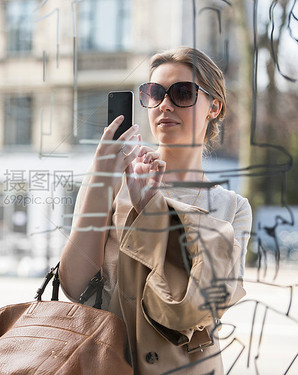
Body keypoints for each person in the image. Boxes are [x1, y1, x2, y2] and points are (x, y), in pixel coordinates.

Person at [60, 47, 252, 374]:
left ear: (214, 107)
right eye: (155, 93)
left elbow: (201, 307)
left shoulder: (231, 208)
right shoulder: (111, 181)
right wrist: (101, 183)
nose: (165, 104)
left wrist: (151, 208)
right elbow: (75, 286)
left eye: (182, 92)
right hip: (107, 363)